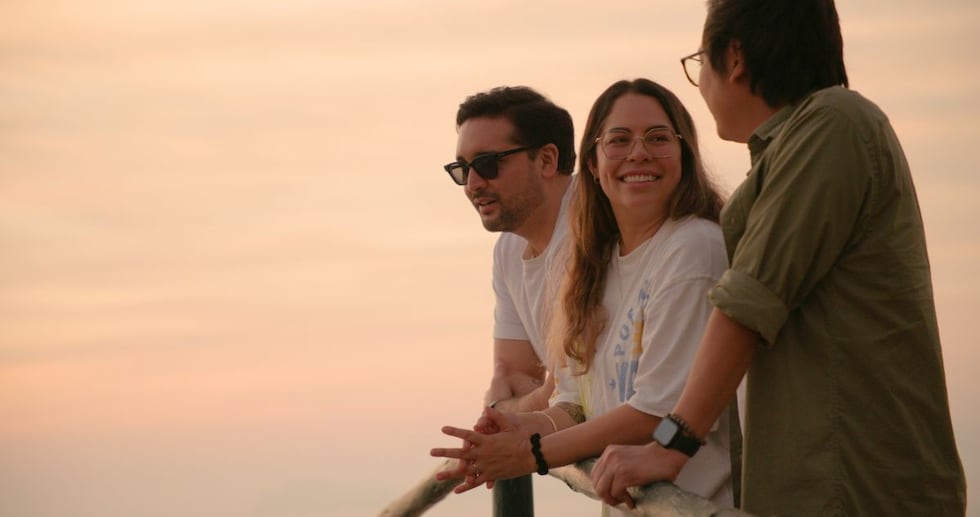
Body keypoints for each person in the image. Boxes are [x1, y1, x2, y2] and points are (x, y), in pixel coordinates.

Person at [590, 1, 967, 515]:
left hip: (855, 487)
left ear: (735, 57)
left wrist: (671, 445)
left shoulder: (833, 123)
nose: (700, 85)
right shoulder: (798, 145)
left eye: (701, 61)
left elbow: (746, 303)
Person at [432, 79, 735, 515]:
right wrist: (521, 426)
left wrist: (529, 454)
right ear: (593, 163)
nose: (638, 154)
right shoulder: (596, 264)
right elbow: (575, 405)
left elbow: (655, 411)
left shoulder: (693, 248)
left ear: (685, 154)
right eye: (619, 141)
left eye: (657, 138)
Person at [437, 87, 577, 488]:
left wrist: (535, 401)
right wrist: (541, 397)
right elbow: (508, 390)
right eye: (462, 169)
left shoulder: (602, 226)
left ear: (547, 160)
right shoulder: (508, 252)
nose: (473, 184)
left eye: (487, 163)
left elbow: (585, 397)